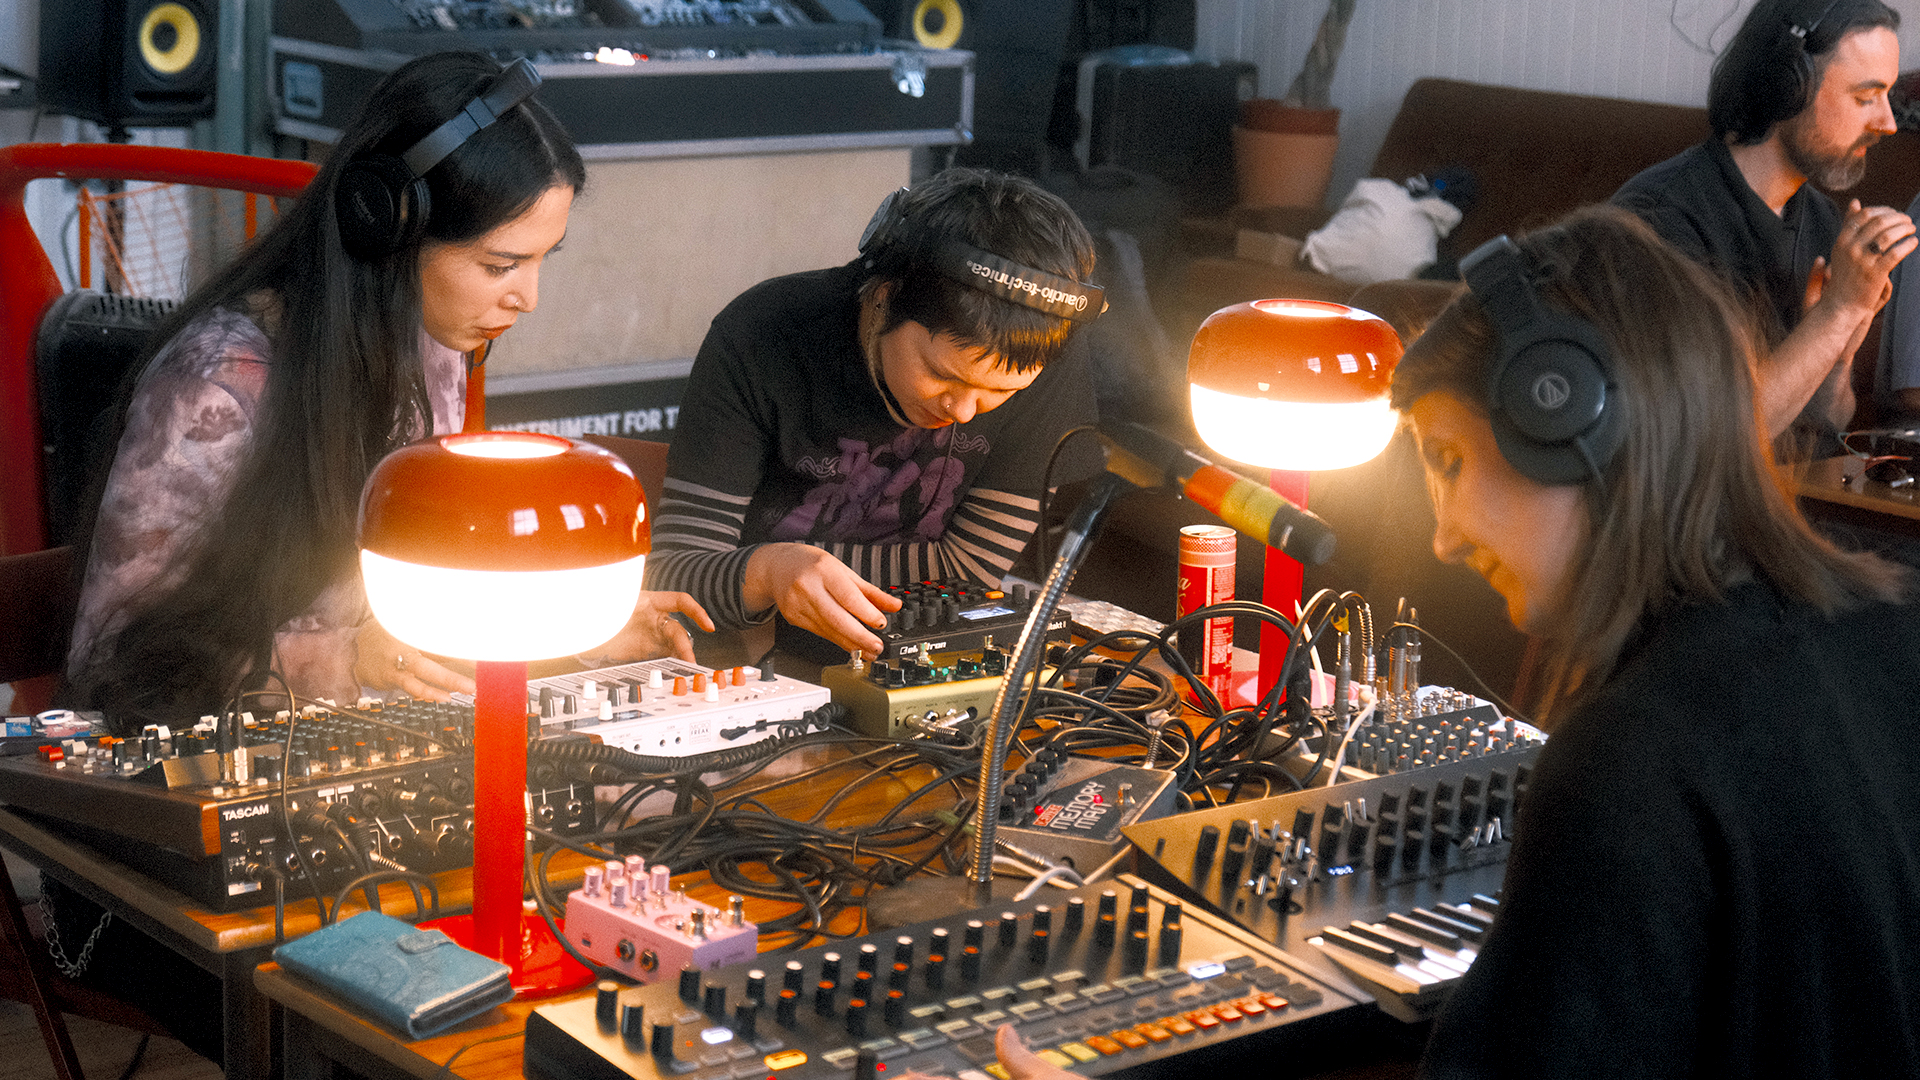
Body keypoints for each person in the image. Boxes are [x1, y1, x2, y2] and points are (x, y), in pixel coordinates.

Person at [920, 208, 1920, 1080]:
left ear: (1565, 417)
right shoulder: (1890, 639)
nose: (1443, 535)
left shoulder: (1637, 754)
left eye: (1447, 459)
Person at [63, 52, 711, 738]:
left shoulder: (434, 345)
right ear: (388, 227)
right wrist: (340, 659)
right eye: (501, 265)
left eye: (542, 258)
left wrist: (566, 635)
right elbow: (109, 663)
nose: (528, 298)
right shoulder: (216, 388)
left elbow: (405, 605)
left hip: (372, 733)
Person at [643, 168, 1104, 660]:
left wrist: (755, 568)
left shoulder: (1044, 353)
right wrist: (772, 571)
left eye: (1001, 391)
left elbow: (969, 573)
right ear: (884, 297)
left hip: (924, 658)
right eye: (942, 374)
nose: (965, 410)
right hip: (742, 661)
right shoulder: (761, 337)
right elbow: (675, 577)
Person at [1612, 0, 1913, 455]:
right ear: (1788, 89)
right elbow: (1715, 442)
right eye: (1865, 97)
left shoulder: (1822, 220)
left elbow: (1828, 422)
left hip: (1799, 504)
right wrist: (1837, 312)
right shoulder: (1661, 221)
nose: (1888, 123)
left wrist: (1841, 347)